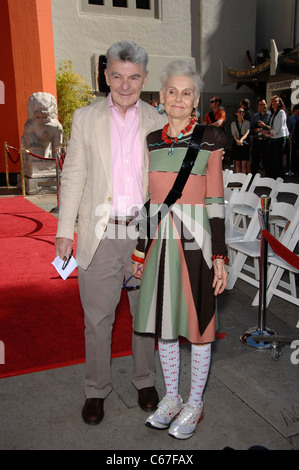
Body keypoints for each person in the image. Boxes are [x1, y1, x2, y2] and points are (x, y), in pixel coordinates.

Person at [55, 41, 167, 426]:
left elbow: (165, 185)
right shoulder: (85, 118)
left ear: (145, 78)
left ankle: (145, 380)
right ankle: (95, 389)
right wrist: (64, 230)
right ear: (105, 75)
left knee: (144, 315)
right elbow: (73, 176)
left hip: (143, 233)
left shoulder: (159, 121)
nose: (124, 85)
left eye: (133, 77)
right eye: (117, 76)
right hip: (99, 234)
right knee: (97, 318)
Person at [132, 60, 228, 440]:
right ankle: (171, 397)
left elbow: (217, 199)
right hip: (160, 241)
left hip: (198, 242)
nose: (178, 98)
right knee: (166, 324)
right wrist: (141, 250)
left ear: (197, 99)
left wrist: (219, 255)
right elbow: (149, 200)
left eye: (186, 92)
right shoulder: (152, 140)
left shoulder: (212, 138)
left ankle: (195, 403)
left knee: (199, 324)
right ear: (162, 95)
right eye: (172, 91)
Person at [262, 95, 289, 178]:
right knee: (272, 159)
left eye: (276, 101)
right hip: (273, 139)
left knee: (277, 159)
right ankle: (273, 176)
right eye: (273, 101)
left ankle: (279, 177)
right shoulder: (273, 114)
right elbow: (273, 127)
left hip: (279, 139)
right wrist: (268, 132)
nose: (273, 103)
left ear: (280, 103)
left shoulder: (281, 112)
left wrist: (270, 134)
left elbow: (279, 128)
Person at [250, 98, 271, 177]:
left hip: (266, 140)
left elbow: (273, 128)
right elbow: (251, 129)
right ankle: (253, 178)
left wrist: (264, 126)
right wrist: (255, 130)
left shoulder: (270, 115)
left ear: (266, 104)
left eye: (264, 104)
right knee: (255, 161)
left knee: (267, 161)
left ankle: (268, 179)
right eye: (260, 105)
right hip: (257, 140)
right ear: (258, 106)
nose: (263, 106)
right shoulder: (255, 116)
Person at [230, 107, 251, 173]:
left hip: (244, 143)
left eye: (243, 112)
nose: (241, 113)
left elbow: (247, 132)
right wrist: (237, 141)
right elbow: (234, 134)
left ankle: (244, 181)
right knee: (237, 164)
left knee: (244, 164)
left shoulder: (247, 123)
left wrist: (241, 140)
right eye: (240, 112)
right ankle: (238, 181)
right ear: (236, 113)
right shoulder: (233, 123)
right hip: (236, 143)